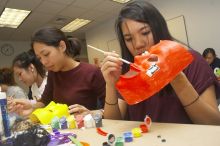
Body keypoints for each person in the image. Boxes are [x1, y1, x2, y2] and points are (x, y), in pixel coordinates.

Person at [101, 0, 220, 125]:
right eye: (129, 39)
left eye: (145, 33)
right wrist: (110, 85)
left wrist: (179, 82)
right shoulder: (129, 71)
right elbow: (112, 125)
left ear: (159, 28)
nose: (138, 44)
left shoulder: (192, 61)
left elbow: (214, 124)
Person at [8, 26, 106, 117]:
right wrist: (31, 107)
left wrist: (91, 113)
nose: (44, 62)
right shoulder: (53, 73)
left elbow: (113, 108)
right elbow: (45, 102)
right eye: (39, 58)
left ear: (62, 46)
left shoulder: (92, 71)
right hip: (63, 131)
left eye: (46, 54)